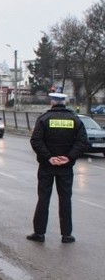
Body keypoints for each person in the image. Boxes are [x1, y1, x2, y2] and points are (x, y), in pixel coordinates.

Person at [27, 92, 87, 244]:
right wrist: (68, 157)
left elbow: (36, 141)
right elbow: (81, 142)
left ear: (52, 102)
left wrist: (49, 157)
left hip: (47, 166)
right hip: (66, 167)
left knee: (43, 199)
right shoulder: (75, 120)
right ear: (65, 103)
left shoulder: (44, 119)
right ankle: (66, 235)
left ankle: (39, 233)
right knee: (65, 199)